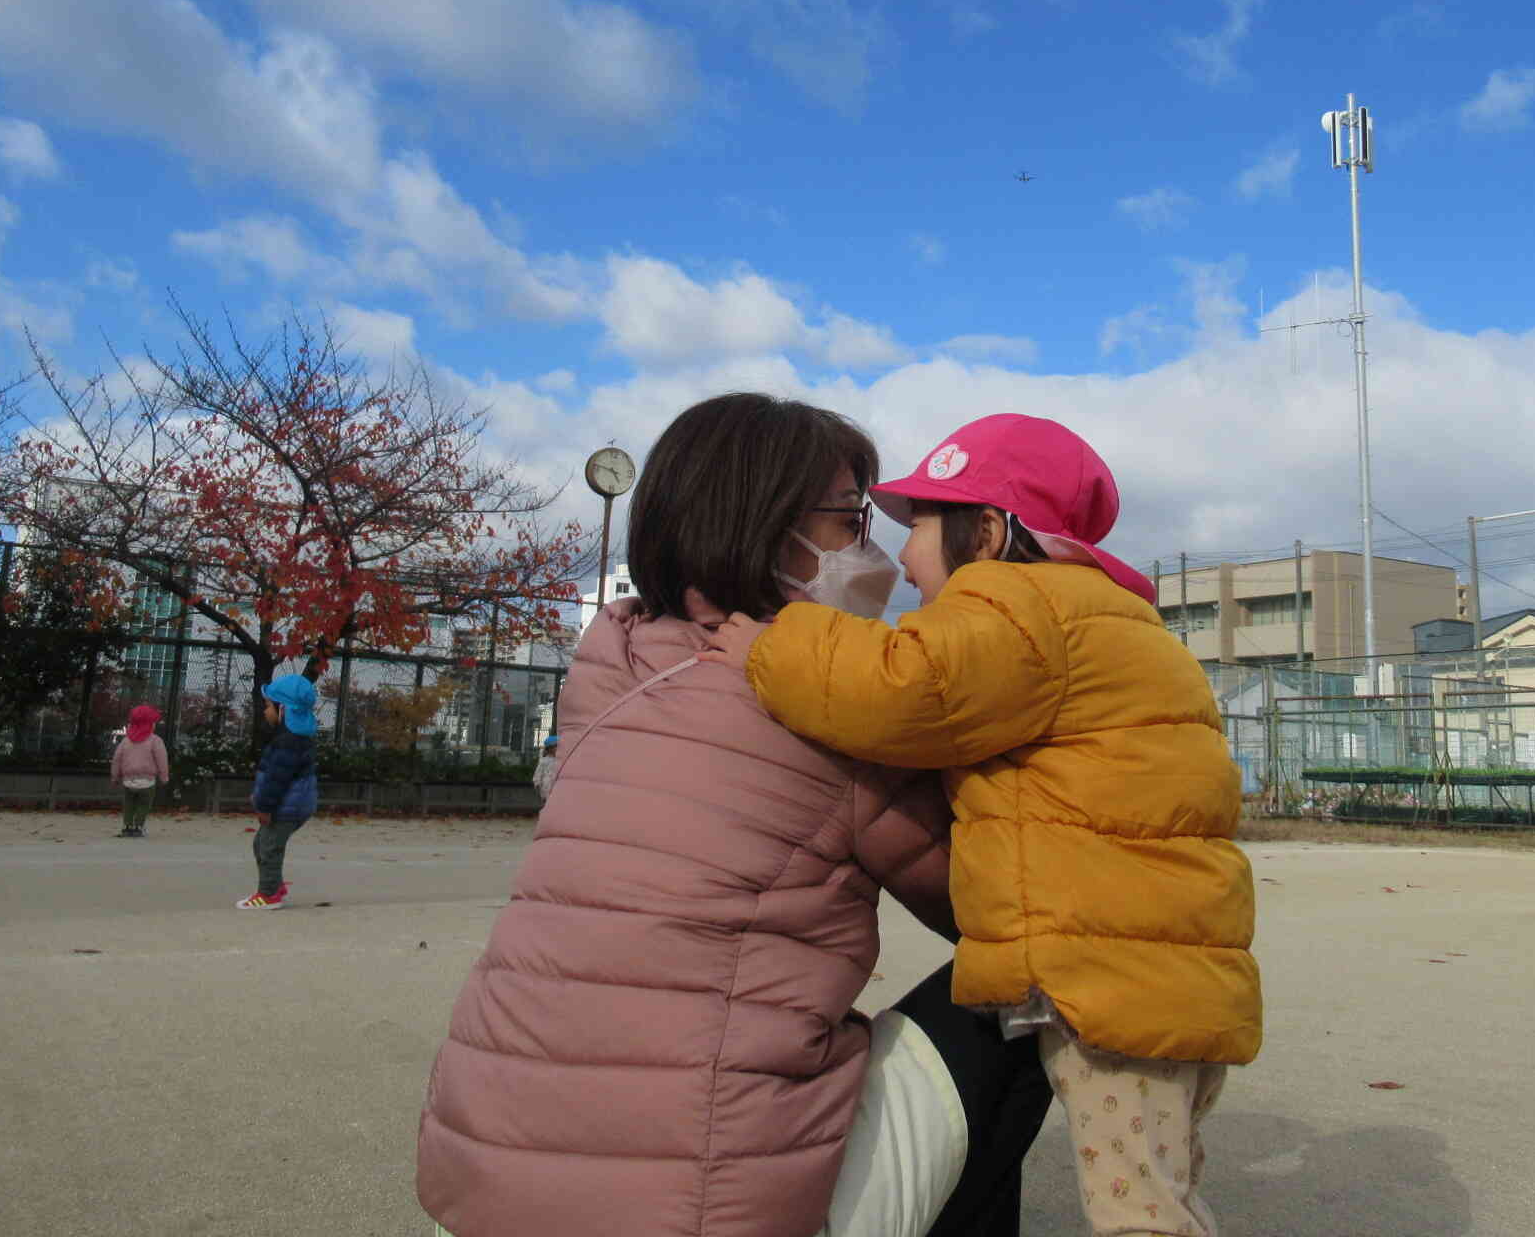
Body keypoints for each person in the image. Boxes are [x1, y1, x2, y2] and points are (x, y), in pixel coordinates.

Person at [418, 393, 1053, 1237]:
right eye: (851, 520)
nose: (883, 559)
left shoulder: (609, 665)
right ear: (766, 527)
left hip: (479, 1194)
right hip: (698, 1216)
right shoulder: (822, 710)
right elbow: (996, 911)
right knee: (1027, 987)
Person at [708, 414, 1262, 1237]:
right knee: (1160, 1184)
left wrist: (770, 645)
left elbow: (901, 691)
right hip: (1158, 972)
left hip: (1110, 981)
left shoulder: (1019, 607)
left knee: (1138, 1214)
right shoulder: (1105, 617)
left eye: (920, 528)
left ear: (990, 533)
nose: (901, 557)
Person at [239, 674, 318, 910]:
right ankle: (275, 885)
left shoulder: (289, 741)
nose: (265, 712)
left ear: (282, 709)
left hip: (286, 806)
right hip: (291, 804)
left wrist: (264, 806)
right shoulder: (293, 737)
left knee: (269, 846)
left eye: (268, 706)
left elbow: (277, 780)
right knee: (262, 843)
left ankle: (269, 894)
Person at [110, 704, 171, 838]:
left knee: (129, 804)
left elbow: (116, 759)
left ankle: (127, 826)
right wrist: (164, 777)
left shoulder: (126, 741)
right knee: (144, 805)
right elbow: (162, 760)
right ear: (150, 724)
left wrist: (115, 777)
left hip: (128, 780)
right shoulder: (155, 741)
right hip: (147, 781)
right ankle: (138, 826)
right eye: (153, 723)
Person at [530, 732, 558, 806]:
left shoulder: (560, 760)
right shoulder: (543, 761)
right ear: (550, 748)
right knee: (549, 804)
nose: (558, 748)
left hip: (557, 786)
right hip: (547, 787)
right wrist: (537, 784)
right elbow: (538, 774)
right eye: (556, 746)